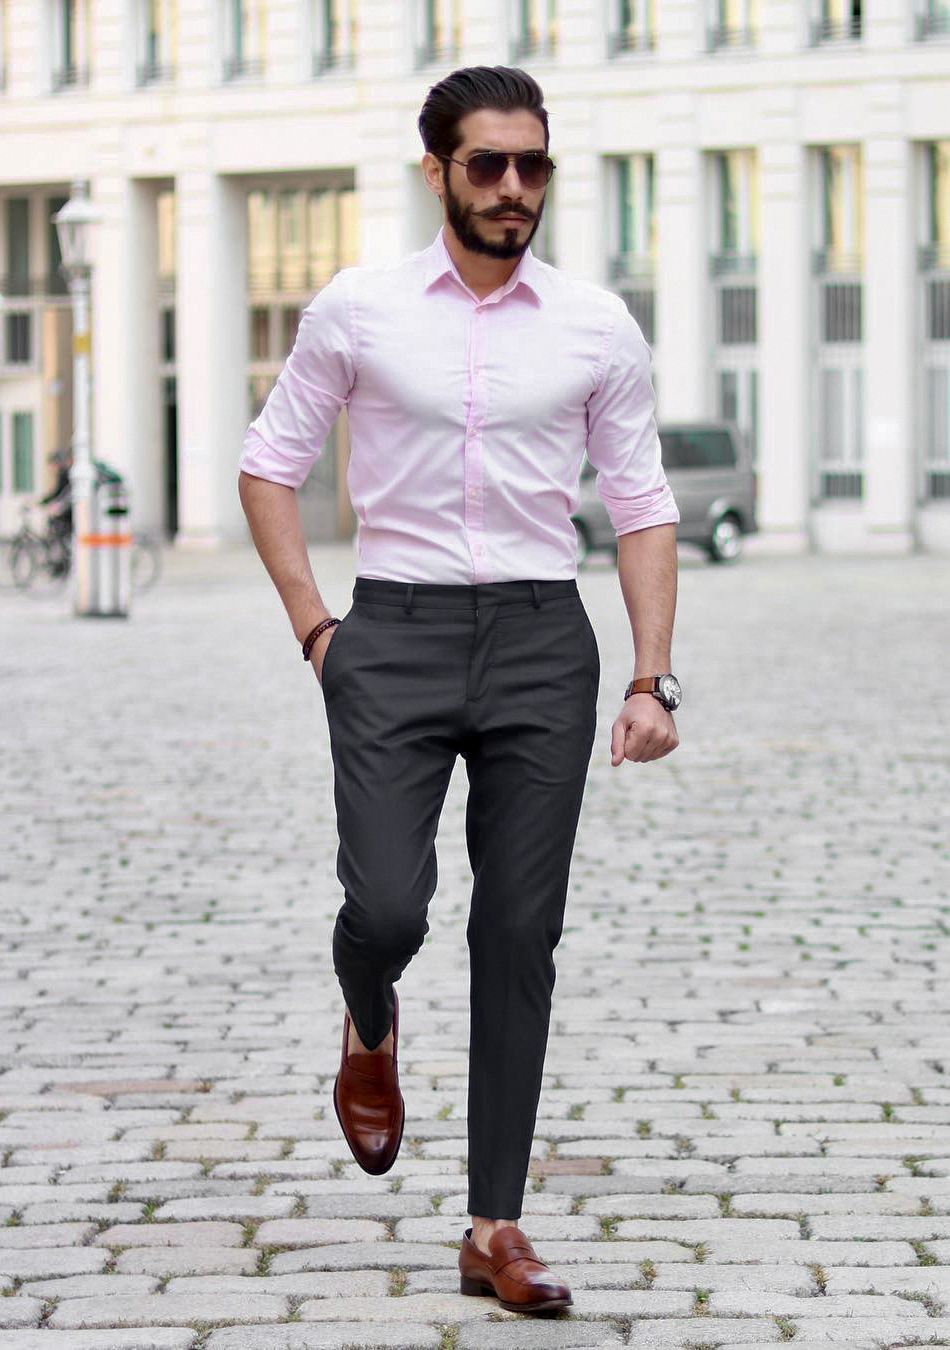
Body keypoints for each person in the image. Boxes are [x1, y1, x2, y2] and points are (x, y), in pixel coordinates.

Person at [238, 65, 682, 1316]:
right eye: (485, 165)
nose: (511, 188)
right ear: (435, 171)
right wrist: (319, 632)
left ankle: (496, 1225)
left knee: (519, 933)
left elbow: (641, 505)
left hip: (546, 637)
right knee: (385, 905)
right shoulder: (358, 310)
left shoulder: (594, 324)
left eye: (531, 165)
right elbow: (267, 467)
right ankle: (368, 1020)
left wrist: (650, 677)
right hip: (395, 634)